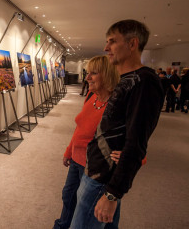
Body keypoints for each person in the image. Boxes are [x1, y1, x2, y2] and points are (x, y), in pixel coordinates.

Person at [70, 19, 163, 229]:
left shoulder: (144, 81)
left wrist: (112, 194)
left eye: (112, 41)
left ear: (132, 44)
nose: (106, 48)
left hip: (103, 178)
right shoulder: (126, 79)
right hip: (97, 171)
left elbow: (136, 142)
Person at [53, 56, 120, 229]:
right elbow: (80, 128)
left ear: (107, 75)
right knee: (68, 196)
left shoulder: (117, 105)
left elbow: (136, 140)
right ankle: (61, 226)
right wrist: (69, 151)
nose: (87, 77)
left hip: (95, 168)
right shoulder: (92, 96)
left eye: (93, 73)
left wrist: (130, 157)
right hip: (76, 160)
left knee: (90, 213)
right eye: (87, 73)